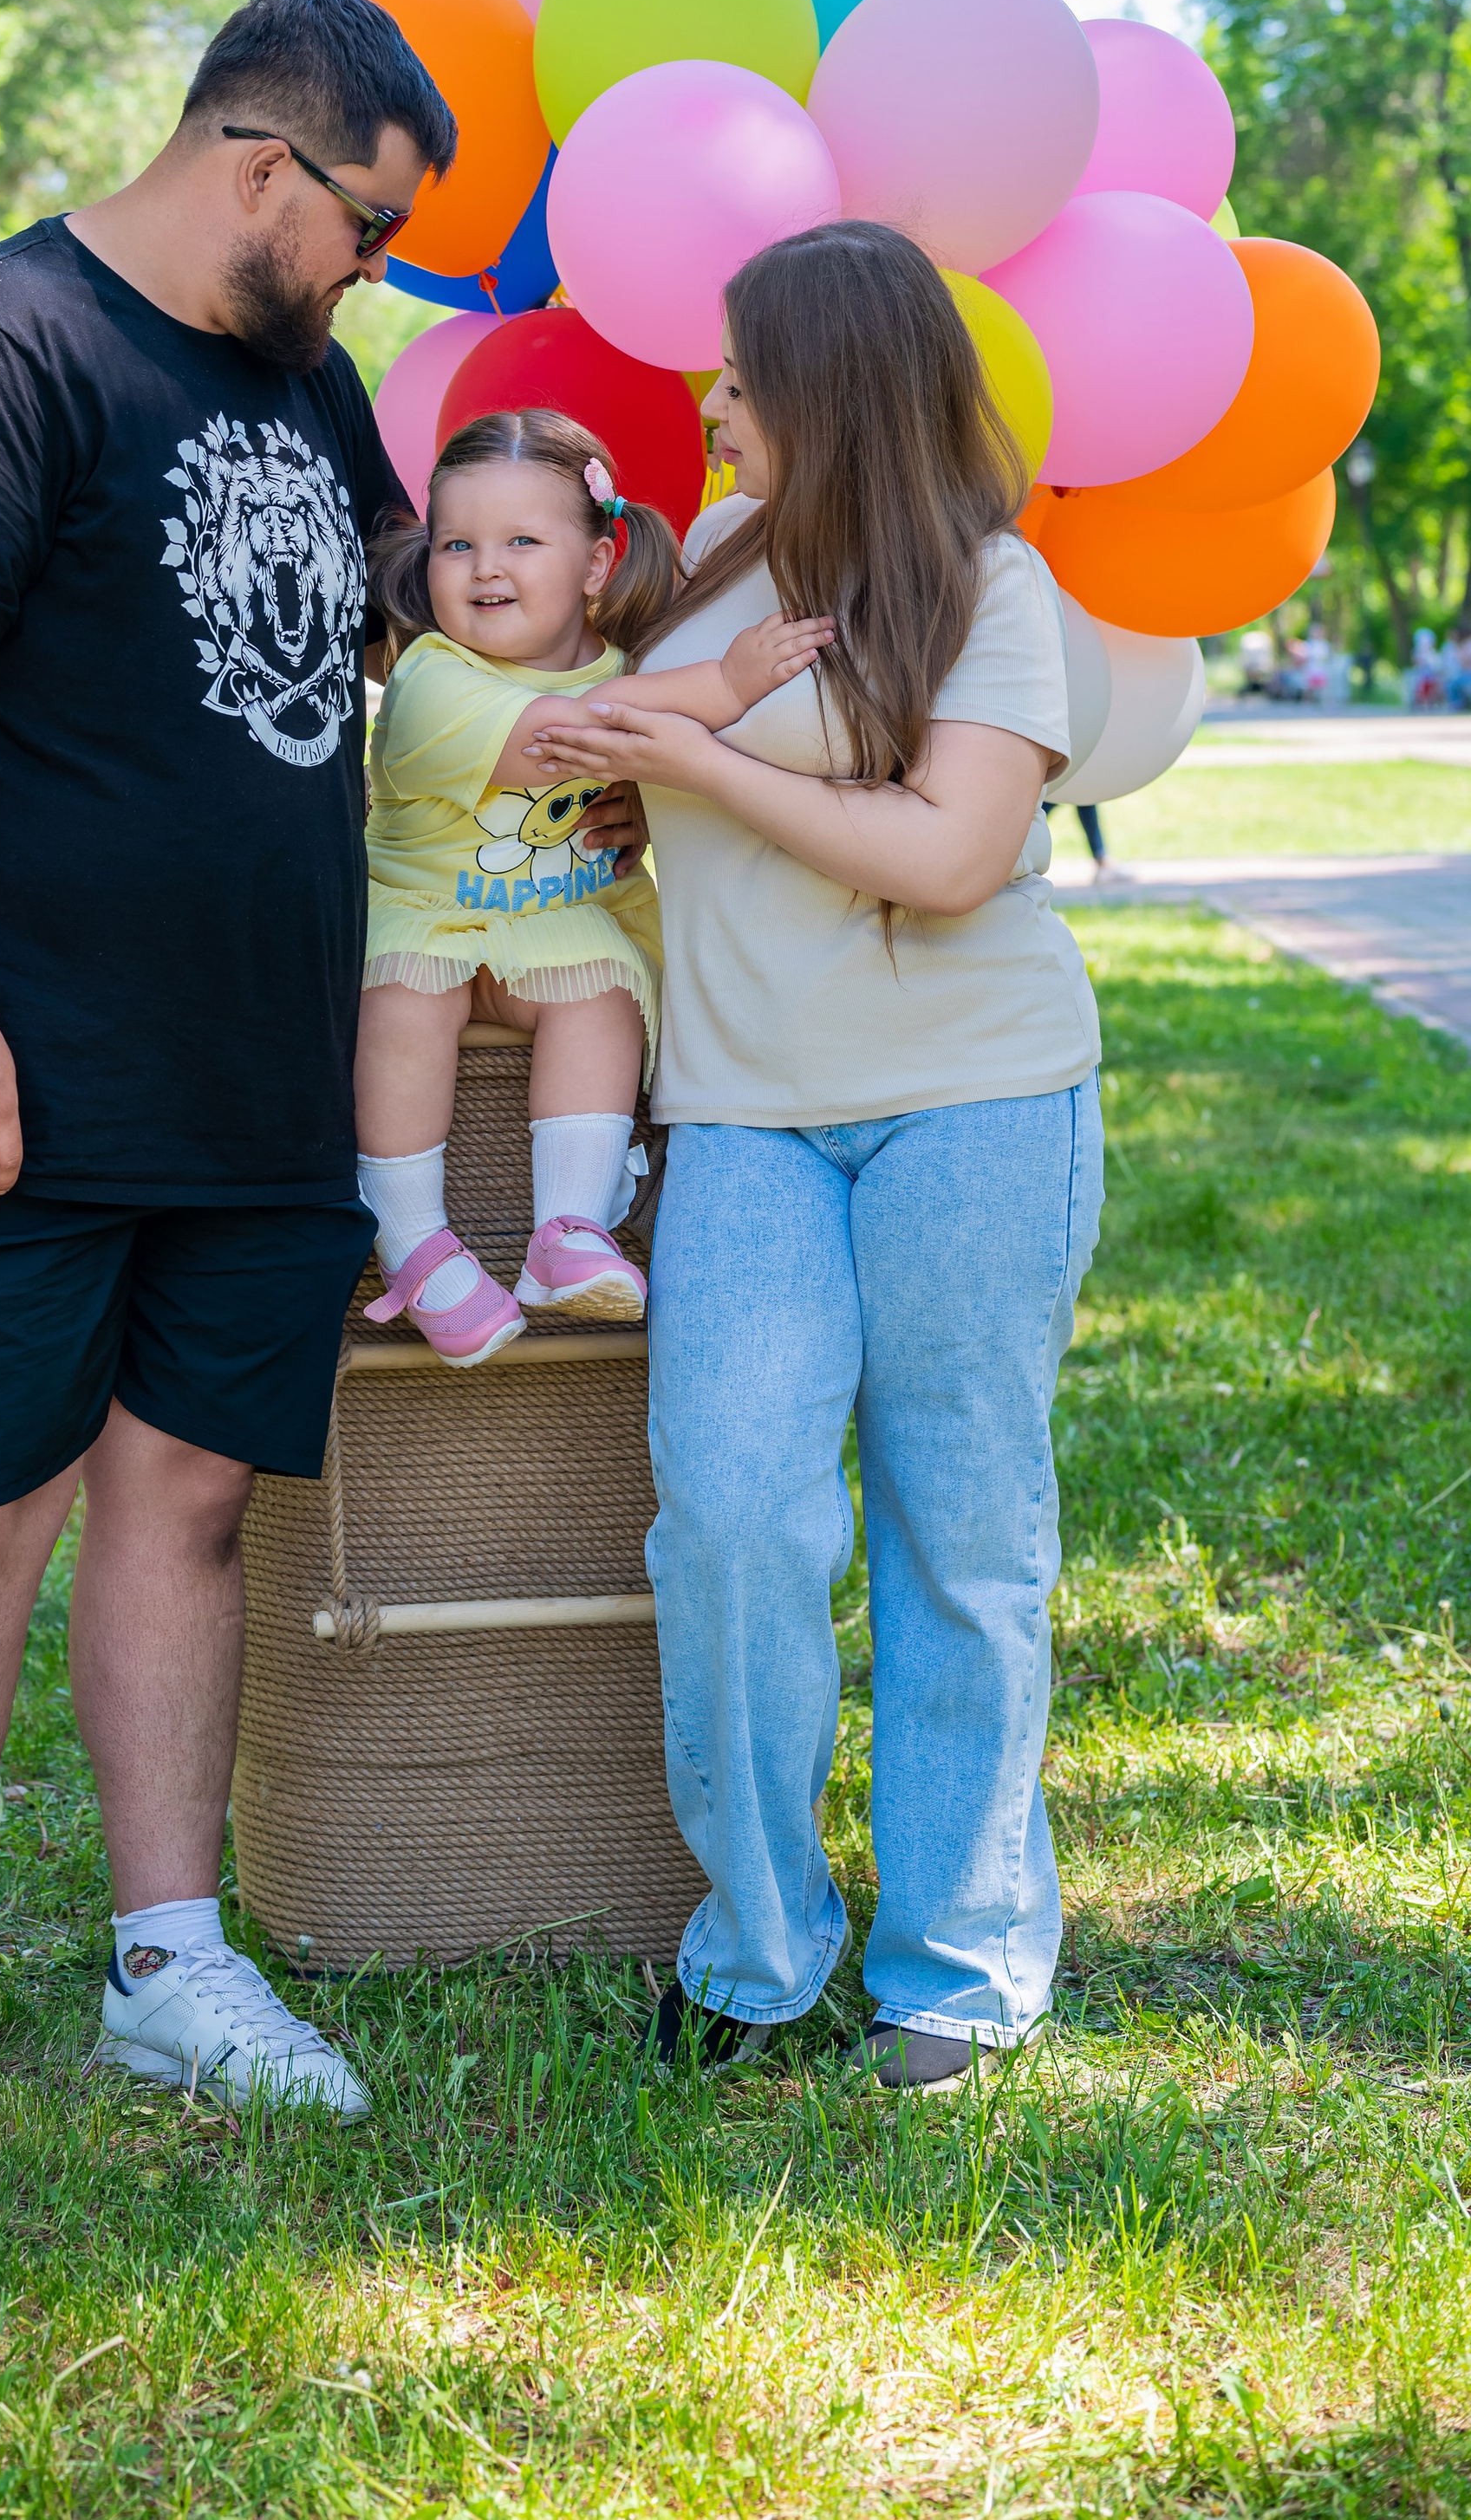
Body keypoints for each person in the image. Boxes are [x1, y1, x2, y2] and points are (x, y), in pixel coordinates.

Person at [0, 0, 466, 2175]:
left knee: (186, 1504)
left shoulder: (306, 380)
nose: (373, 272)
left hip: (252, 1071)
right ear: (262, 165)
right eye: (368, 226)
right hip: (6, 1071)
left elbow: (380, 639)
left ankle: (168, 1965)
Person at [533, 219, 1103, 2094]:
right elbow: (676, 772)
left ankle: (954, 1962)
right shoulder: (704, 572)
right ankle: (760, 1952)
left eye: (740, 370)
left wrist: (703, 775)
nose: (706, 396)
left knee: (957, 1529)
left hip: (974, 1100)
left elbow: (946, 856)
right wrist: (630, 788)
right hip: (744, 1117)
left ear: (833, 390)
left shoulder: (990, 587)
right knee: (730, 1517)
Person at [355, 407, 830, 1362]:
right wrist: (725, 686)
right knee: (403, 996)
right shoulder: (431, 680)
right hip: (425, 919)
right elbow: (566, 734)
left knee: (603, 995)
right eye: (458, 544)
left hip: (554, 929)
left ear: (597, 565)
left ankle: (566, 1232)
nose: (487, 567)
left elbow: (625, 725)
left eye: (522, 541)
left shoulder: (624, 671)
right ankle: (408, 1237)